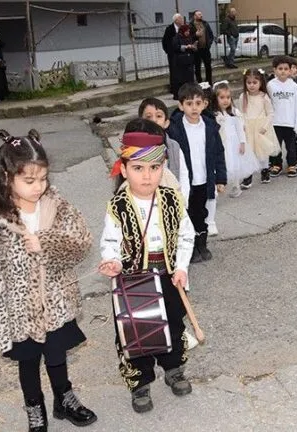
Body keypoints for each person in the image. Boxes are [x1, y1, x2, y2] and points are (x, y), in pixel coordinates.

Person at [0, 129, 97, 431]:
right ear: (6, 177)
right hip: (20, 313)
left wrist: (47, 241)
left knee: (57, 356)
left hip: (55, 303)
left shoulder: (56, 206)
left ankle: (64, 399)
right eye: (29, 181)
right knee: (28, 362)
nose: (38, 187)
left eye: (42, 179)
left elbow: (82, 243)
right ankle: (34, 408)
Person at [99, 119, 196, 413]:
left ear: (162, 168)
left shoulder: (172, 198)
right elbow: (110, 241)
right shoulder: (117, 205)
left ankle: (174, 369)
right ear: (124, 169)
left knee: (173, 323)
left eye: (154, 168)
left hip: (168, 275)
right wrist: (112, 260)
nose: (147, 176)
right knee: (134, 331)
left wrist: (181, 267)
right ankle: (139, 384)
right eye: (138, 169)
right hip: (132, 280)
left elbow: (186, 234)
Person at [166, 83, 226, 262]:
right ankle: (189, 247)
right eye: (189, 103)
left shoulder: (209, 126)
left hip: (205, 178)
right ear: (181, 105)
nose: (194, 107)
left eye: (198, 103)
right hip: (185, 181)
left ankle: (202, 244)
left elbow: (218, 152)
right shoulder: (175, 128)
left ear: (205, 104)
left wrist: (220, 178)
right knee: (187, 215)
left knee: (202, 214)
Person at [212, 81, 259, 196]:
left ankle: (236, 186)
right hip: (221, 143)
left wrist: (242, 143)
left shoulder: (234, 112)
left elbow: (240, 129)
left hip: (233, 143)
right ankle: (217, 188)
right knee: (221, 166)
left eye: (228, 97)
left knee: (234, 166)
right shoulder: (214, 114)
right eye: (222, 97)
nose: (225, 100)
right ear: (215, 98)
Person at [138, 98, 191, 196]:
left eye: (159, 116)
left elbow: (183, 174)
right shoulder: (135, 148)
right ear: (140, 121)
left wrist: (183, 201)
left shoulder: (174, 146)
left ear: (166, 123)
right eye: (148, 117)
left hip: (172, 199)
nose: (154, 120)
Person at [266, 56, 297, 177]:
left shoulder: (293, 86)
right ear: (274, 70)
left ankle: (292, 164)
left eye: (286, 69)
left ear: (290, 70)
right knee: (275, 146)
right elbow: (267, 105)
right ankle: (276, 164)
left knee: (291, 146)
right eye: (280, 68)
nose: (283, 71)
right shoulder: (270, 85)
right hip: (275, 122)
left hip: (289, 122)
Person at [171, 24, 197, 99]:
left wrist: (193, 47)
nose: (188, 33)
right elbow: (176, 47)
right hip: (180, 62)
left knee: (190, 79)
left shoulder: (189, 37)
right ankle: (179, 95)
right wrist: (186, 47)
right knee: (180, 80)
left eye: (188, 31)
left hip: (189, 61)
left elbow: (193, 47)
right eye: (187, 31)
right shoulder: (176, 38)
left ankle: (189, 94)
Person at [163, 14, 186, 99]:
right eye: (180, 18)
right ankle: (174, 90)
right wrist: (168, 51)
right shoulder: (169, 29)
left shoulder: (183, 28)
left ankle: (182, 90)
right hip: (173, 54)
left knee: (182, 73)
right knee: (174, 72)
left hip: (182, 54)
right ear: (176, 20)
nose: (182, 20)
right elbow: (165, 42)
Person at [190, 10, 214, 84]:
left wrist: (209, 44)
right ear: (194, 16)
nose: (201, 15)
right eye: (199, 14)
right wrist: (195, 35)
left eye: (201, 14)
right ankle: (199, 82)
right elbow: (189, 38)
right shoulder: (191, 25)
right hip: (197, 50)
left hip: (206, 48)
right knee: (197, 67)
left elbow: (211, 35)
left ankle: (209, 82)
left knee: (208, 66)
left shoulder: (205, 23)